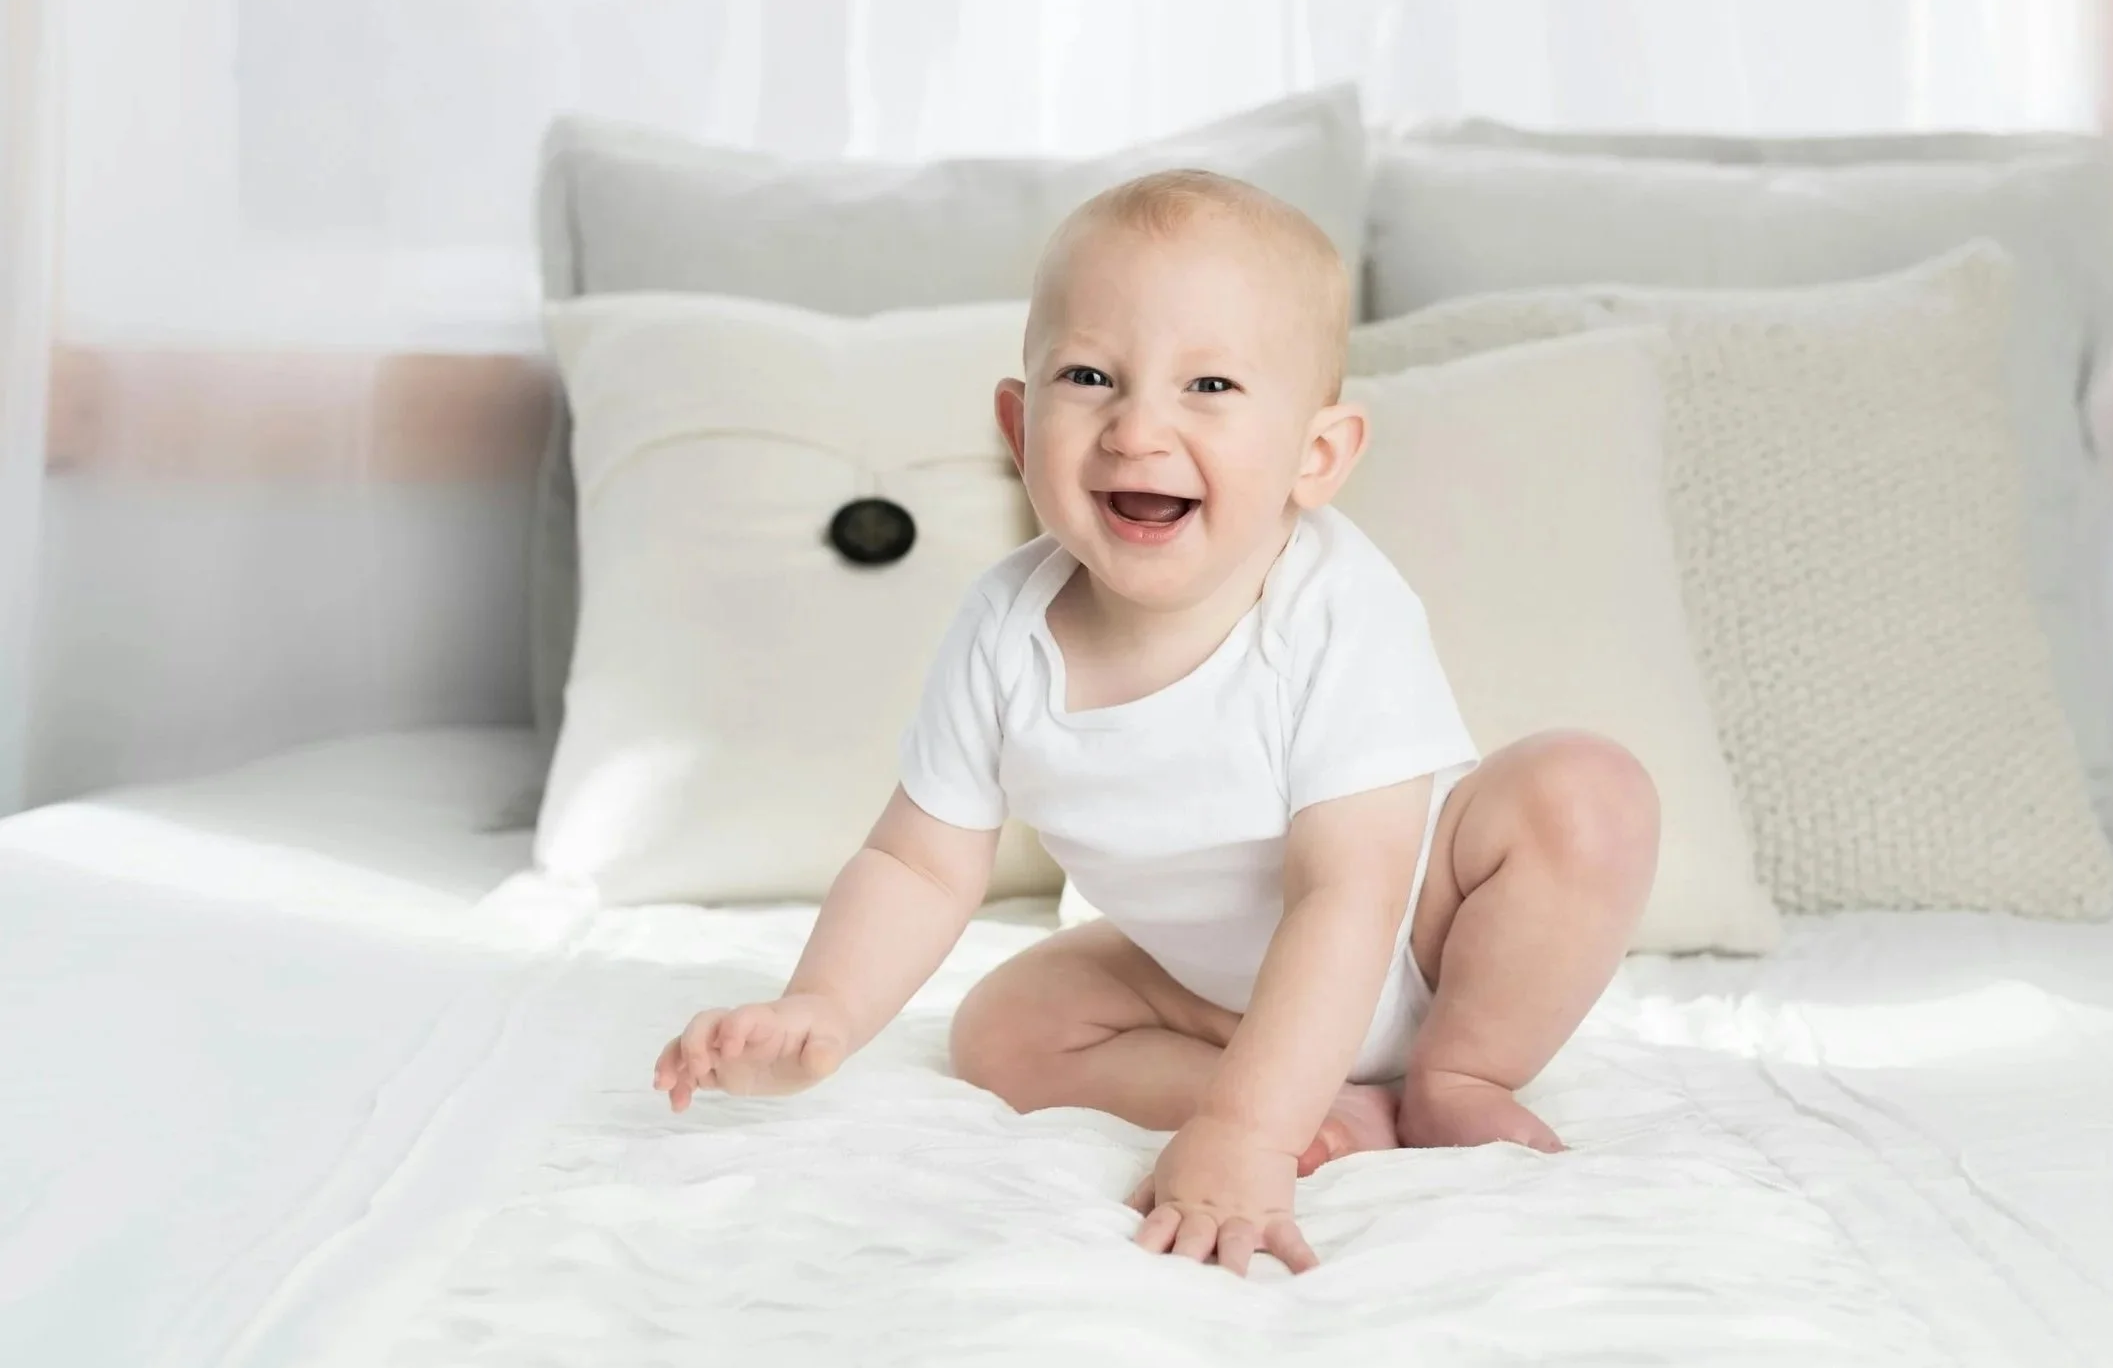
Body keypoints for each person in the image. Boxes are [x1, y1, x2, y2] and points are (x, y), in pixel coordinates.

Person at [653, 169, 1659, 1276]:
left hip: (1422, 933)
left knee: (1584, 792)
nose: (1138, 429)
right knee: (1002, 1029)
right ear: (1015, 421)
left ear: (1316, 455)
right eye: (1088, 376)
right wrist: (823, 1008)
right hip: (1213, 990)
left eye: (1210, 385)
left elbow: (1349, 892)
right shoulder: (1004, 627)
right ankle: (1328, 1105)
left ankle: (1455, 1075)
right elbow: (918, 861)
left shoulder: (1335, 607)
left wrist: (1240, 1140)